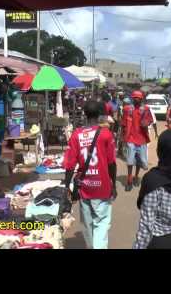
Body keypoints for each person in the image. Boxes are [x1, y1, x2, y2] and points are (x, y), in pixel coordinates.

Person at [63, 100, 117, 249]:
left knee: (87, 225)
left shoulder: (76, 135)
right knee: (102, 223)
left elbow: (69, 165)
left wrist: (66, 186)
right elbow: (112, 163)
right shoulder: (106, 134)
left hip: (84, 187)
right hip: (102, 186)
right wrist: (113, 184)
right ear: (100, 115)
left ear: (84, 114)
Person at [121, 90, 153, 192]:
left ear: (141, 99)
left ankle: (136, 176)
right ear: (132, 98)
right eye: (135, 98)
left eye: (138, 98)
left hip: (142, 138)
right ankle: (129, 180)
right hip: (130, 138)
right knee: (130, 161)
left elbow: (150, 120)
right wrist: (122, 136)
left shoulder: (146, 109)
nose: (137, 100)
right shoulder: (127, 109)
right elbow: (123, 124)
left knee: (140, 160)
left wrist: (146, 122)